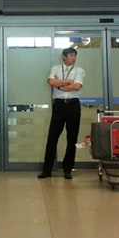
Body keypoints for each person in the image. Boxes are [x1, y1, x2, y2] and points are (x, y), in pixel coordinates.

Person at [38, 47, 85, 180]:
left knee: (72, 138)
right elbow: (51, 82)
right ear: (64, 57)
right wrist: (67, 82)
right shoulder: (55, 68)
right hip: (59, 105)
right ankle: (47, 170)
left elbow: (77, 86)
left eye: (74, 56)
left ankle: (67, 169)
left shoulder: (79, 70)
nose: (73, 58)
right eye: (71, 56)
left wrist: (59, 85)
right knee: (52, 138)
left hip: (73, 105)